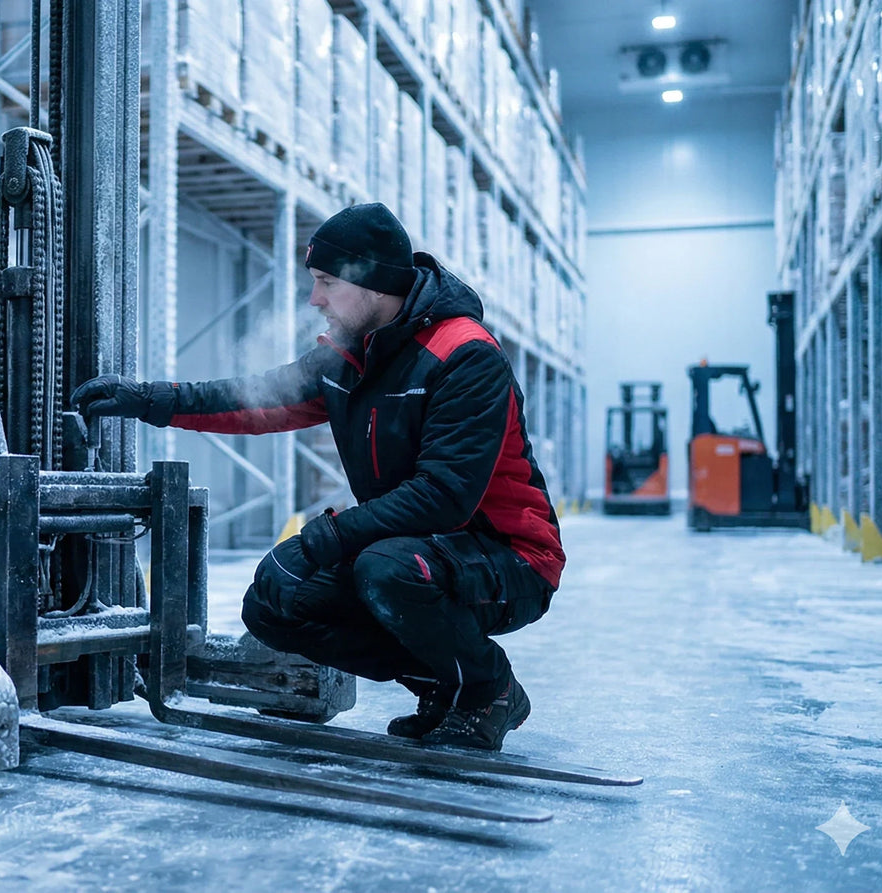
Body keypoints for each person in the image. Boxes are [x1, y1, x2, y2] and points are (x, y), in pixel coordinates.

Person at [71, 202, 564, 751]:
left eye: (327, 282)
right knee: (274, 604)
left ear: (373, 283)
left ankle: (487, 689)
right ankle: (442, 683)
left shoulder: (464, 356)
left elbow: (443, 496)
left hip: (511, 557)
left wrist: (319, 539)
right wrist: (153, 401)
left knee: (386, 569)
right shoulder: (349, 357)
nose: (316, 299)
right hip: (414, 549)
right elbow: (256, 401)